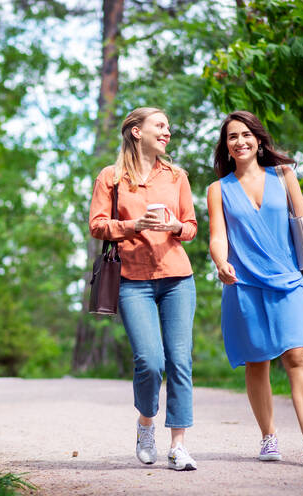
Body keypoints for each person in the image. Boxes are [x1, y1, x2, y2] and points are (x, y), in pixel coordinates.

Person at [206, 110, 303, 462]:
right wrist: (220, 263)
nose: (240, 141)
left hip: (288, 280)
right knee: (257, 362)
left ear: (258, 140)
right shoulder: (218, 189)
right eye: (232, 137)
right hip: (243, 284)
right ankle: (268, 437)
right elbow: (217, 236)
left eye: (246, 135)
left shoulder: (284, 175)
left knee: (297, 355)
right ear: (226, 147)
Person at [89, 107, 199, 470]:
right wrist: (134, 224)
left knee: (179, 360)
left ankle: (179, 445)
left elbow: (191, 225)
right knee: (150, 362)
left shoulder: (177, 176)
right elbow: (97, 225)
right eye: (160, 125)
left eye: (168, 126)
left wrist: (173, 226)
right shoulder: (111, 176)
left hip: (177, 278)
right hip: (132, 281)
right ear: (137, 132)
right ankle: (146, 424)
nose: (167, 131)